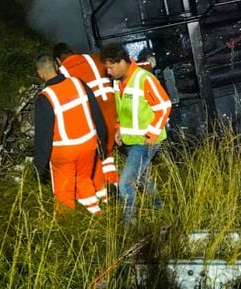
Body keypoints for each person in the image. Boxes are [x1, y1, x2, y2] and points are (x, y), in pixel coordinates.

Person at [100, 43, 172, 224]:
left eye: (111, 67)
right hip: (131, 140)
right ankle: (159, 208)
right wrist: (118, 128)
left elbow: (164, 105)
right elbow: (122, 109)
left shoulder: (144, 79)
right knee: (142, 178)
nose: (109, 72)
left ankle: (129, 225)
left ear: (123, 62)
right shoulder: (118, 82)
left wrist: (152, 133)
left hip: (145, 142)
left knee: (125, 183)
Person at [33, 54, 107, 215]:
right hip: (88, 145)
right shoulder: (78, 83)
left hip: (64, 152)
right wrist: (102, 140)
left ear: (40, 73)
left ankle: (66, 226)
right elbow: (96, 112)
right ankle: (96, 212)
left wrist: (40, 165)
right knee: (84, 179)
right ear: (56, 66)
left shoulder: (45, 98)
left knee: (63, 191)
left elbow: (43, 135)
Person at [53, 42, 118, 199]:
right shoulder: (94, 58)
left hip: (95, 120)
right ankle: (115, 186)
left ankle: (105, 197)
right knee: (108, 154)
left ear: (57, 61)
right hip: (114, 114)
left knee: (96, 159)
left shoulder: (63, 73)